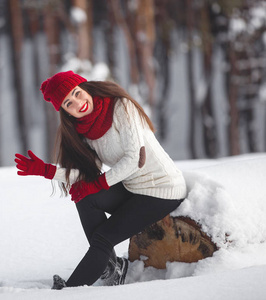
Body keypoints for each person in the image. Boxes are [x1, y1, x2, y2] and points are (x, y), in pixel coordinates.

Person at [14, 71, 187, 289]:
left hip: (162, 190)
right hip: (133, 189)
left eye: (77, 93)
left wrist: (97, 184)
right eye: (69, 103)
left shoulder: (121, 107)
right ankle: (110, 267)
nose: (78, 103)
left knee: (103, 238)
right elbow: (88, 176)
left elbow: (134, 160)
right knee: (84, 197)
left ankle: (69, 291)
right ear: (65, 111)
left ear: (85, 87)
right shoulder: (83, 130)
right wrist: (47, 170)